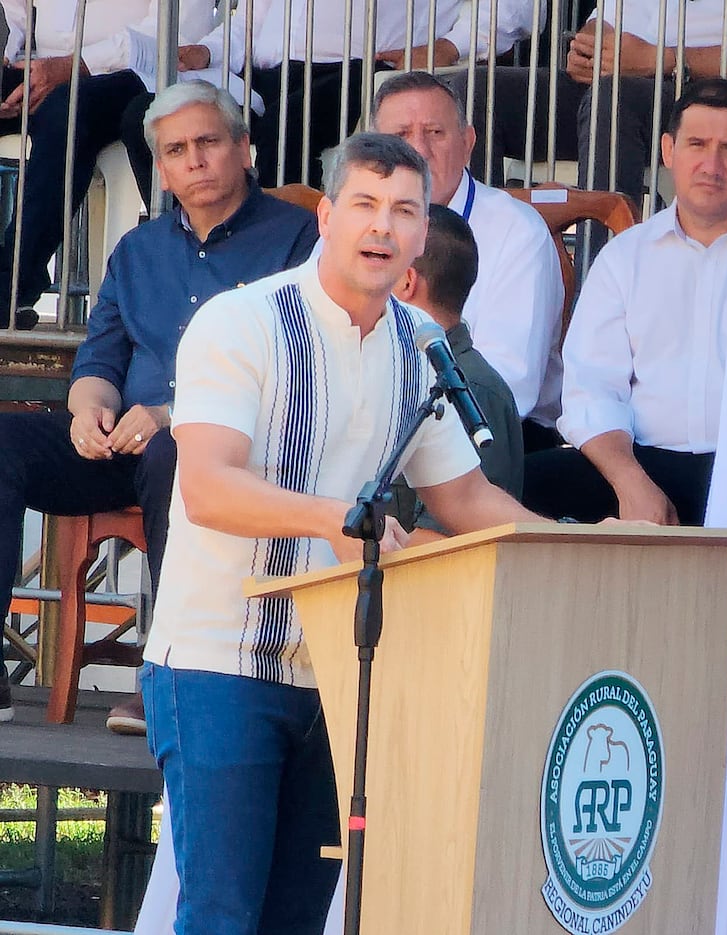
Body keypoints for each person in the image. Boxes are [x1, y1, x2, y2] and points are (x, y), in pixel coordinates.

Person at [140, 131, 546, 934]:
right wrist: (336, 518)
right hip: (220, 661)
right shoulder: (240, 321)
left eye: (403, 210)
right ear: (326, 216)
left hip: (340, 671)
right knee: (222, 915)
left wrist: (569, 541)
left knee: (297, 918)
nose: (382, 227)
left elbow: (465, 497)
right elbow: (210, 486)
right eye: (364, 204)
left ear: (423, 235)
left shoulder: (419, 346)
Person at [0, 80, 319, 724]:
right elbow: (100, 360)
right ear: (162, 171)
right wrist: (89, 408)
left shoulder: (299, 241)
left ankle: (173, 672)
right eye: (175, 150)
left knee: (176, 450)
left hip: (233, 448)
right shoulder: (138, 250)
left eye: (208, 142)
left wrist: (175, 415)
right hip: (121, 443)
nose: (194, 160)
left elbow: (297, 372)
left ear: (245, 150)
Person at [522, 78, 727, 525]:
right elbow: (591, 390)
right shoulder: (625, 257)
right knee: (523, 487)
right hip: (645, 463)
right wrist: (631, 482)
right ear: (669, 151)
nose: (711, 164)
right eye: (697, 143)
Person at [121, 0, 542, 195]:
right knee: (147, 115)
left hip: (364, 68)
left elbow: (518, 6)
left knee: (288, 129)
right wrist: (209, 50)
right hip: (257, 73)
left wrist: (451, 45)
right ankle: (186, 246)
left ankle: (268, 258)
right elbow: (251, 20)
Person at [371, 70, 564, 451]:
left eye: (435, 133)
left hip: (487, 440)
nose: (419, 152)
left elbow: (507, 388)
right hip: (371, 434)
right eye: (400, 137)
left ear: (468, 142)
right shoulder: (354, 226)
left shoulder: (517, 231)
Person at [0, 0, 216, 329]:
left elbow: (177, 34)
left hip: (133, 75)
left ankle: (12, 286)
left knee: (67, 110)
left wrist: (75, 65)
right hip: (38, 71)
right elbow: (16, 15)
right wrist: (12, 54)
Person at [456, 0, 727, 211]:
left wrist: (661, 59)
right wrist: (587, 52)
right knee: (475, 90)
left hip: (706, 97)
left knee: (613, 97)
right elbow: (601, 24)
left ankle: (598, 268)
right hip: (611, 85)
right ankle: (471, 254)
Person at [391, 202, 524, 532]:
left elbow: (444, 547)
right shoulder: (397, 371)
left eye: (380, 263)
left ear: (407, 282)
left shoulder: (473, 391)